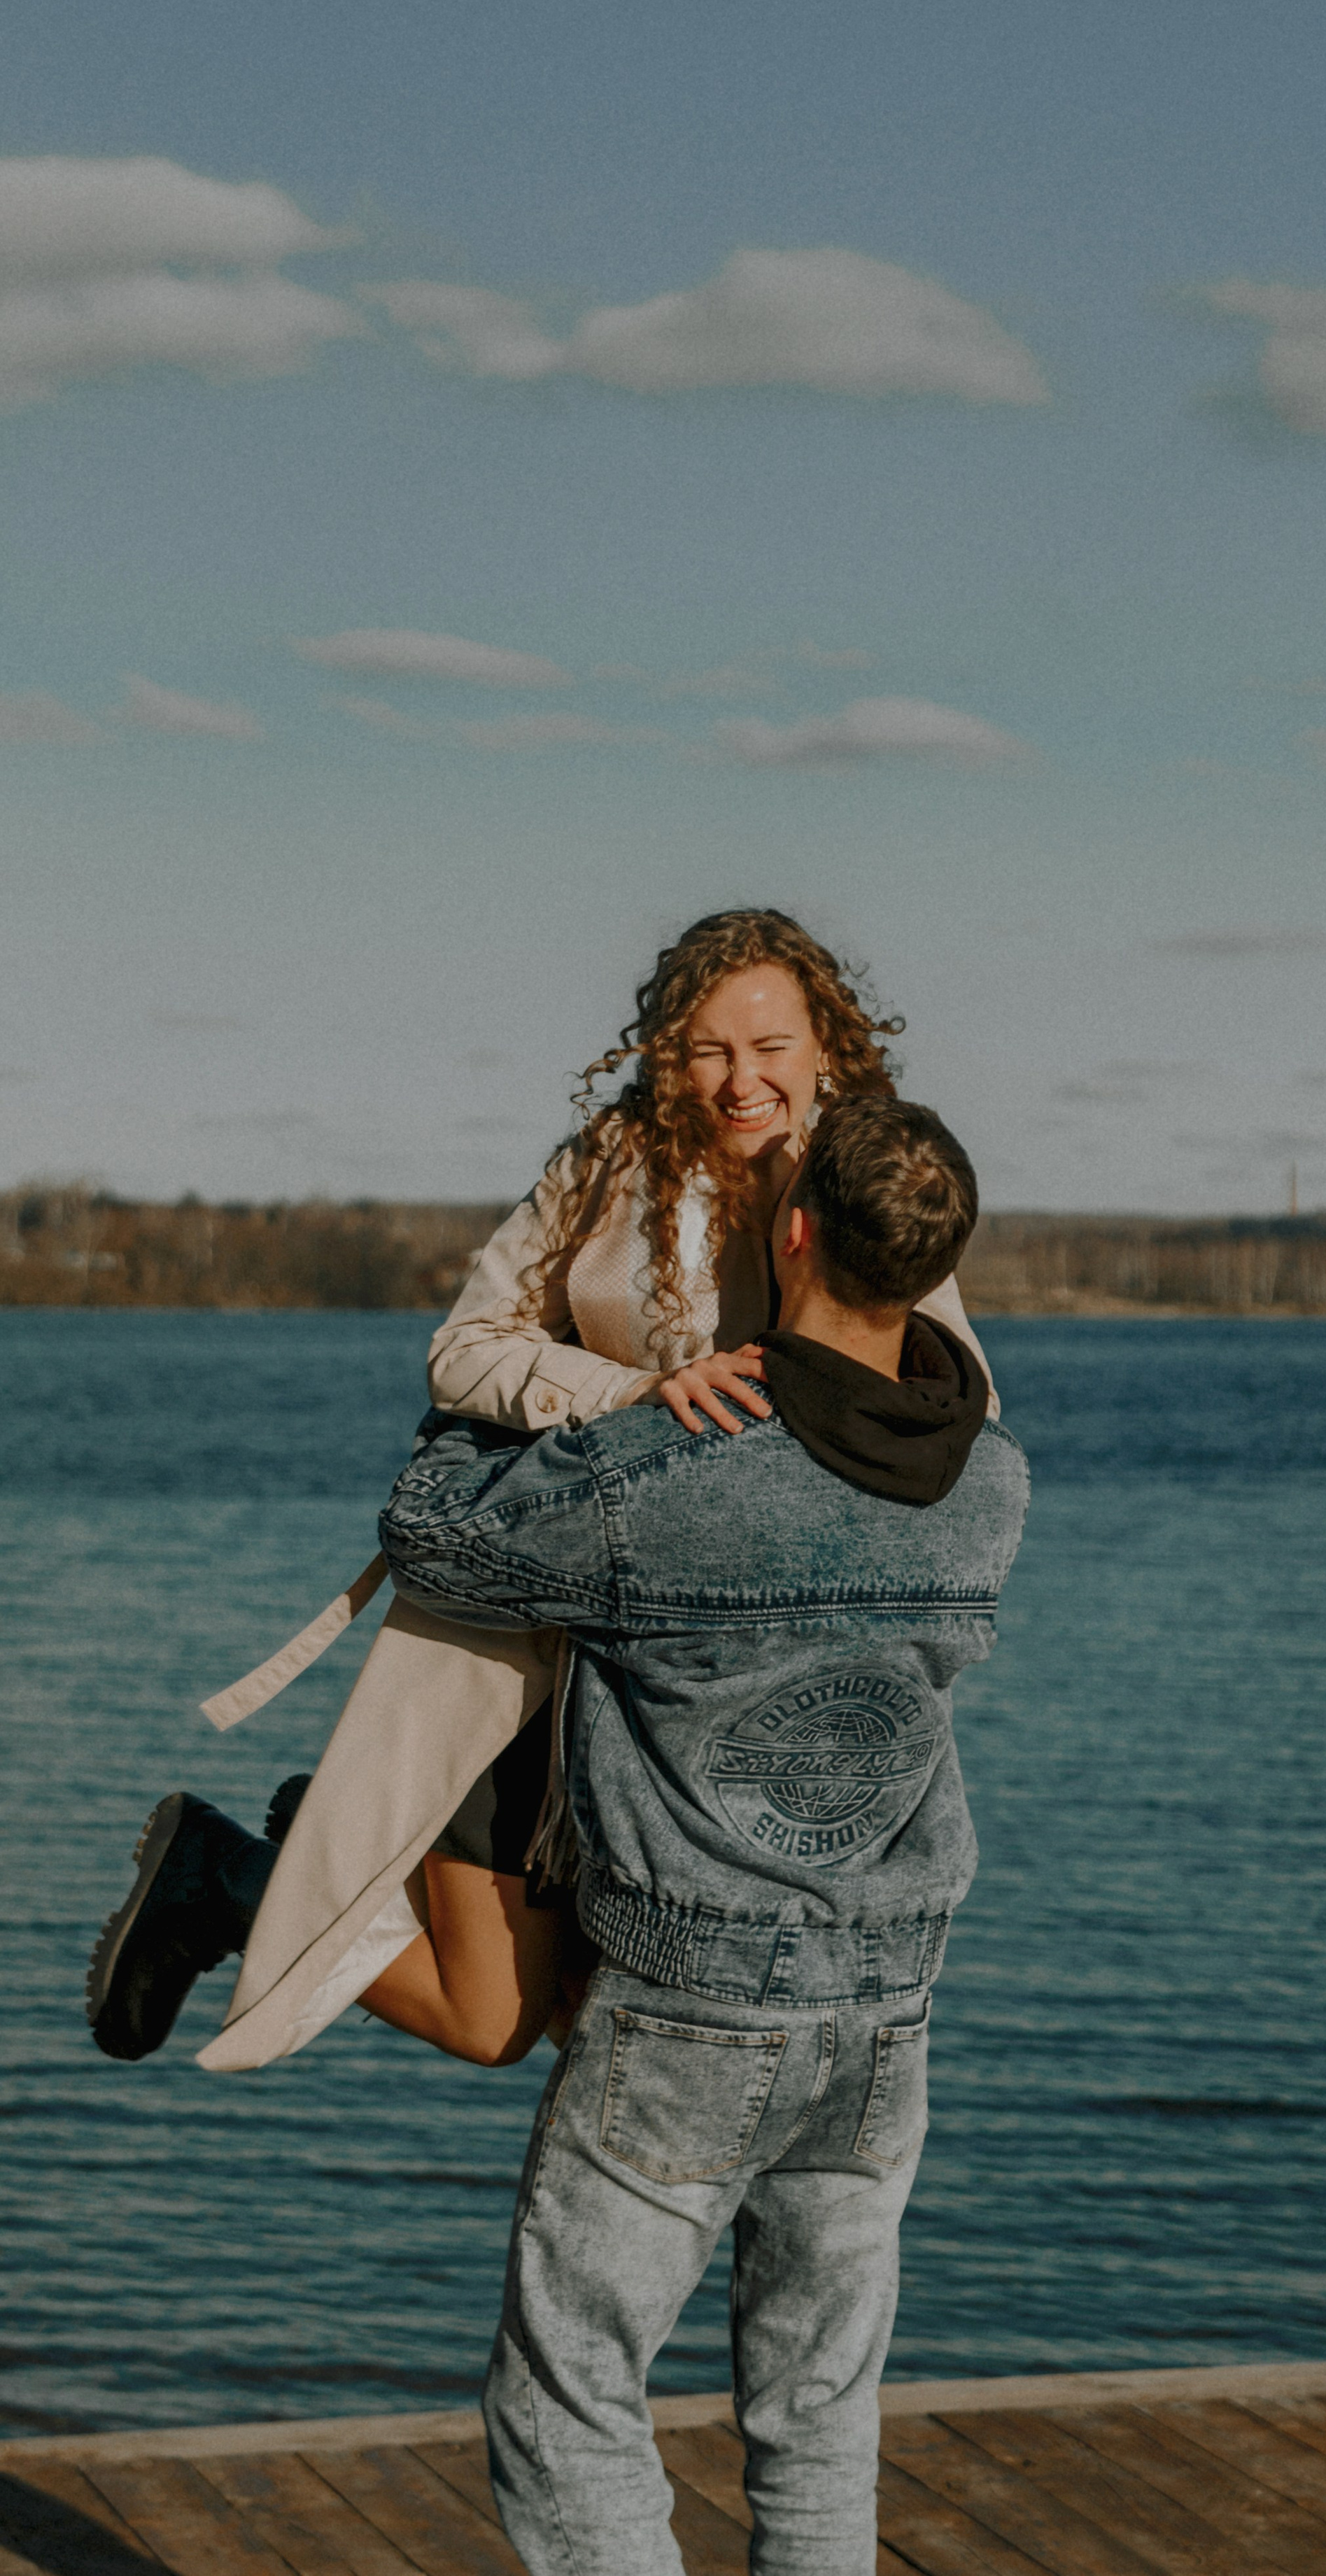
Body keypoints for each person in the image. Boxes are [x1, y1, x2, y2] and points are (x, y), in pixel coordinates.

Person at [87, 909, 995, 2074]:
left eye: (770, 1047)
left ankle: (306, 1857)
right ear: (668, 1054)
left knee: (612, 2018)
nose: (741, 1080)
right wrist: (637, 1391)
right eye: (708, 1050)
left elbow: (959, 1409)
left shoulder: (866, 1185)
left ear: (829, 1044)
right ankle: (233, 1874)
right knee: (492, 2022)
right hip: (527, 1637)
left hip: (690, 1689)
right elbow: (462, 1351)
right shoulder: (609, 1166)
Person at [376, 1096, 1029, 2576]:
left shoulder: (676, 1472)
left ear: (788, 1235)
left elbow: (430, 1530)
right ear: (932, 1272)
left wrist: (566, 1386)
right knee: (817, 2412)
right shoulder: (992, 1482)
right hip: (887, 2014)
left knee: (571, 2399)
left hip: (688, 2010)